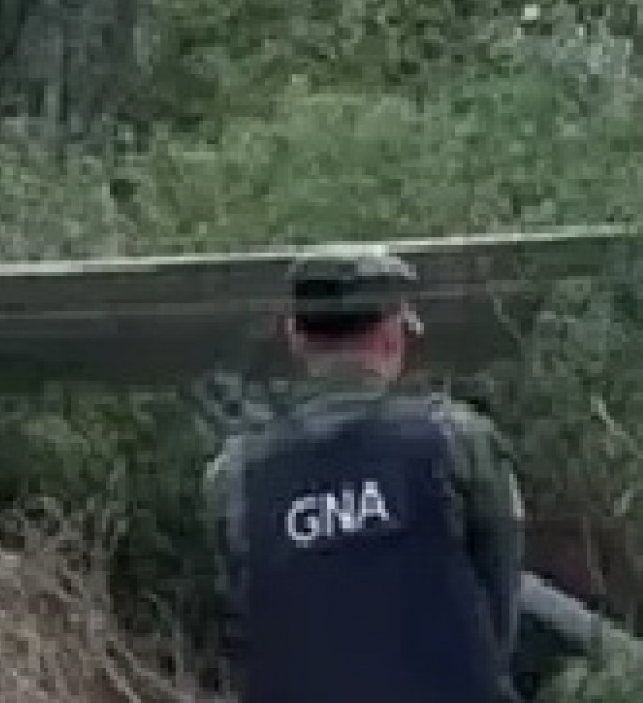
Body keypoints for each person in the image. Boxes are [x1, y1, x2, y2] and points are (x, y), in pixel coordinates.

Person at [202, 244, 527, 703]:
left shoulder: (234, 478)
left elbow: (245, 631)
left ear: (294, 336)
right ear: (393, 334)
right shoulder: (458, 443)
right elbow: (499, 609)